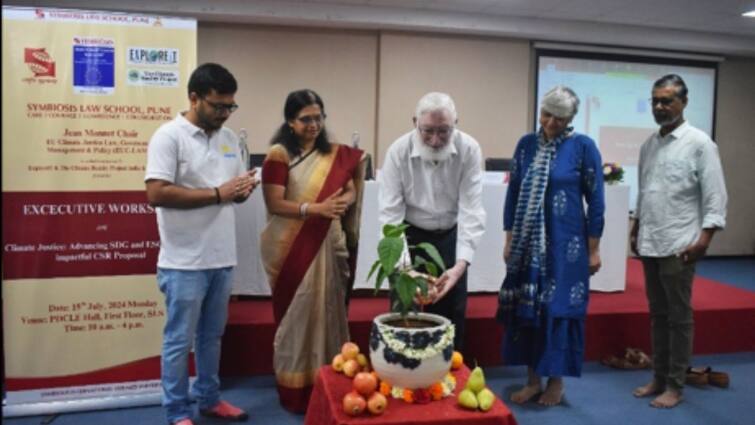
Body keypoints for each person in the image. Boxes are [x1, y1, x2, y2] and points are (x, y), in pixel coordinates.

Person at [145, 63, 256, 425]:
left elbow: (230, 193)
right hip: (183, 262)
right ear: (194, 98)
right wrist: (217, 193)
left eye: (230, 107)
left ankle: (209, 399)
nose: (224, 113)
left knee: (212, 337)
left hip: (222, 256)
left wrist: (240, 192)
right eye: (218, 106)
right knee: (179, 340)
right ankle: (177, 411)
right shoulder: (168, 137)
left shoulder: (229, 139)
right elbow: (156, 192)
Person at [496, 86, 605, 407]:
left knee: (558, 310)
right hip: (528, 245)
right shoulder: (526, 145)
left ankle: (556, 383)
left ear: (571, 119)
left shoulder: (583, 147)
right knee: (529, 309)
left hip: (567, 247)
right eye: (546, 114)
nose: (550, 122)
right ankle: (533, 380)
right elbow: (514, 192)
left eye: (559, 117)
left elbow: (596, 201)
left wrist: (594, 249)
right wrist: (509, 239)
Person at [260, 89, 366, 413]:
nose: (314, 124)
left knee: (329, 307)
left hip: (327, 237)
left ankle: (329, 383)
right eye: (306, 119)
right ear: (290, 121)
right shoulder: (279, 154)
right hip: (292, 244)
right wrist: (316, 208)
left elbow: (349, 191)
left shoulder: (334, 154)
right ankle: (296, 390)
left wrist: (339, 204)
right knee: (298, 312)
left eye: (319, 117)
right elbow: (274, 203)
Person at [631, 74, 727, 408]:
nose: (659, 106)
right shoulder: (649, 144)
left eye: (666, 100)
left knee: (679, 316)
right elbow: (645, 192)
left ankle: (676, 384)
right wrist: (636, 226)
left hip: (681, 244)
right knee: (658, 314)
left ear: (683, 102)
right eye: (655, 100)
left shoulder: (700, 144)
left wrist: (705, 239)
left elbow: (716, 197)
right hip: (651, 241)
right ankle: (658, 376)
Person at [379, 92, 486, 350]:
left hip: (450, 236)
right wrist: (405, 269)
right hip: (409, 237)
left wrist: (459, 267)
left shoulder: (469, 149)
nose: (436, 140)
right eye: (427, 131)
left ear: (456, 123)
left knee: (452, 315)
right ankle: (403, 375)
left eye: (444, 131)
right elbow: (390, 217)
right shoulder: (398, 151)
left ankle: (449, 378)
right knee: (405, 314)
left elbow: (471, 210)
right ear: (415, 121)